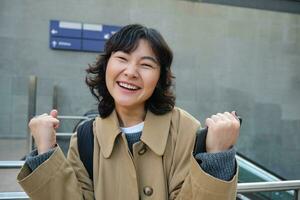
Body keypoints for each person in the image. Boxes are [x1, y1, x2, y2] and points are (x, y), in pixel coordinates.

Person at [17, 24, 240, 200]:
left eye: (146, 64)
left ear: (160, 78)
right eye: (122, 59)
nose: (130, 72)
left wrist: (217, 157)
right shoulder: (86, 137)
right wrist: (45, 152)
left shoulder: (185, 129)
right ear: (106, 66)